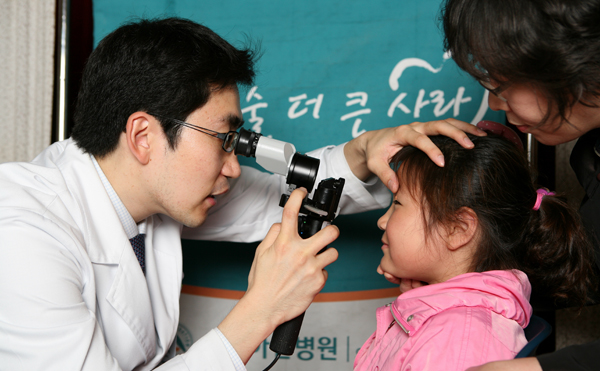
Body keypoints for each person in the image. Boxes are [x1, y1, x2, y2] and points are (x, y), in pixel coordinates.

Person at [0, 17, 483, 370]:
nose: (234, 167)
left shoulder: (157, 193)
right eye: (221, 140)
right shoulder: (21, 238)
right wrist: (260, 310)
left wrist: (363, 151)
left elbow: (287, 195)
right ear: (143, 136)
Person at [408, 0, 600, 370]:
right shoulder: (590, 152)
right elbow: (585, 274)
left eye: (501, 84)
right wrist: (467, 281)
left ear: (567, 63)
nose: (494, 102)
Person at [353, 131, 596, 371]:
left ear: (457, 229)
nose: (382, 222)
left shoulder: (458, 338)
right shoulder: (448, 326)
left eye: (397, 204)